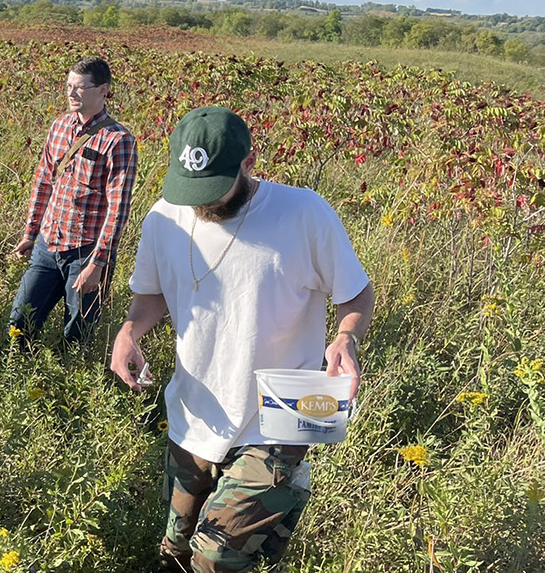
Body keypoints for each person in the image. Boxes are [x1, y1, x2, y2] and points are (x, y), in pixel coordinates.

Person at [108, 106, 375, 573]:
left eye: (214, 187)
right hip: (195, 409)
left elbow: (356, 294)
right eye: (192, 188)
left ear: (249, 163)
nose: (201, 203)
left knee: (215, 560)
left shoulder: (304, 212)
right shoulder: (164, 217)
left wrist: (346, 339)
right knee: (175, 553)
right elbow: (150, 294)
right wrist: (130, 331)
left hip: (285, 411)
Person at [9, 56, 137, 344]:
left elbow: (118, 210)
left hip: (86, 251)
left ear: (103, 90)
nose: (71, 93)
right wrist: (30, 233)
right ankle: (20, 373)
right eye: (68, 86)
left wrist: (98, 264)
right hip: (48, 242)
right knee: (20, 321)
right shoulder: (59, 127)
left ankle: (68, 381)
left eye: (80, 87)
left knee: (77, 333)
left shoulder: (118, 140)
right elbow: (43, 182)